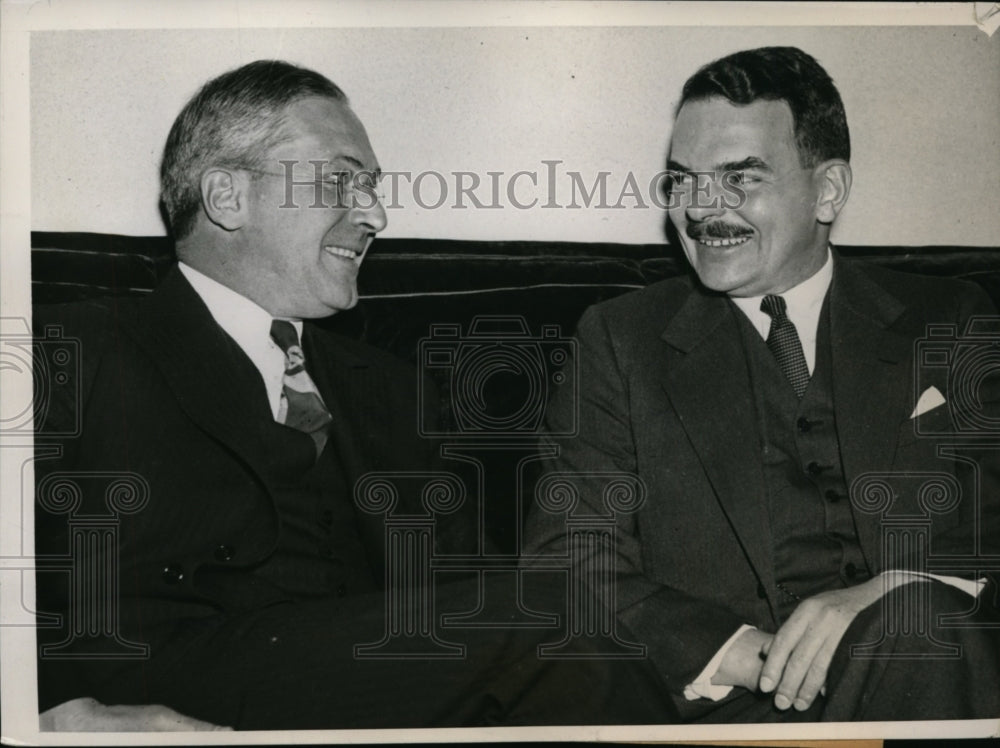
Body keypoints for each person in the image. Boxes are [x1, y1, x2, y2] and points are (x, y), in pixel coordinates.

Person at [33, 60, 672, 730]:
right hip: (152, 677)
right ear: (226, 197)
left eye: (371, 188)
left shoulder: (391, 389)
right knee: (555, 620)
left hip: (351, 684)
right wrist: (58, 712)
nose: (375, 214)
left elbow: (473, 597)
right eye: (341, 180)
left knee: (552, 615)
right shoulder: (72, 347)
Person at [523, 46, 1000, 723]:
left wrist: (900, 589)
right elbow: (566, 562)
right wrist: (757, 655)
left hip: (940, 674)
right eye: (682, 181)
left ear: (828, 190)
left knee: (919, 628)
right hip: (737, 707)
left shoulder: (951, 318)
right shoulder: (620, 340)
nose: (700, 211)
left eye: (739, 178)